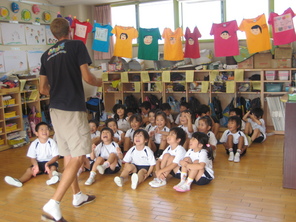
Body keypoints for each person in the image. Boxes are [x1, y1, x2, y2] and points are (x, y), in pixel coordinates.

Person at [39, 18, 102, 222]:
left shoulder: (45, 55)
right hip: (72, 108)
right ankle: (54, 203)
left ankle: (78, 196)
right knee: (77, 156)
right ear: (70, 30)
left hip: (55, 109)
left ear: (53, 35)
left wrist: (57, 94)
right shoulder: (76, 45)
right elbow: (88, 78)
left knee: (68, 154)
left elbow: (42, 88)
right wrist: (100, 82)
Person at [4, 122, 60, 188]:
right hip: (39, 163)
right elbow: (33, 158)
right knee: (29, 170)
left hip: (51, 162)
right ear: (36, 133)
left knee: (52, 169)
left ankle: (52, 179)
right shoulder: (34, 143)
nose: (44, 131)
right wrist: (35, 165)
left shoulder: (52, 142)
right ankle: (19, 181)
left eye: (47, 129)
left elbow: (56, 156)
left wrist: (48, 163)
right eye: (41, 129)